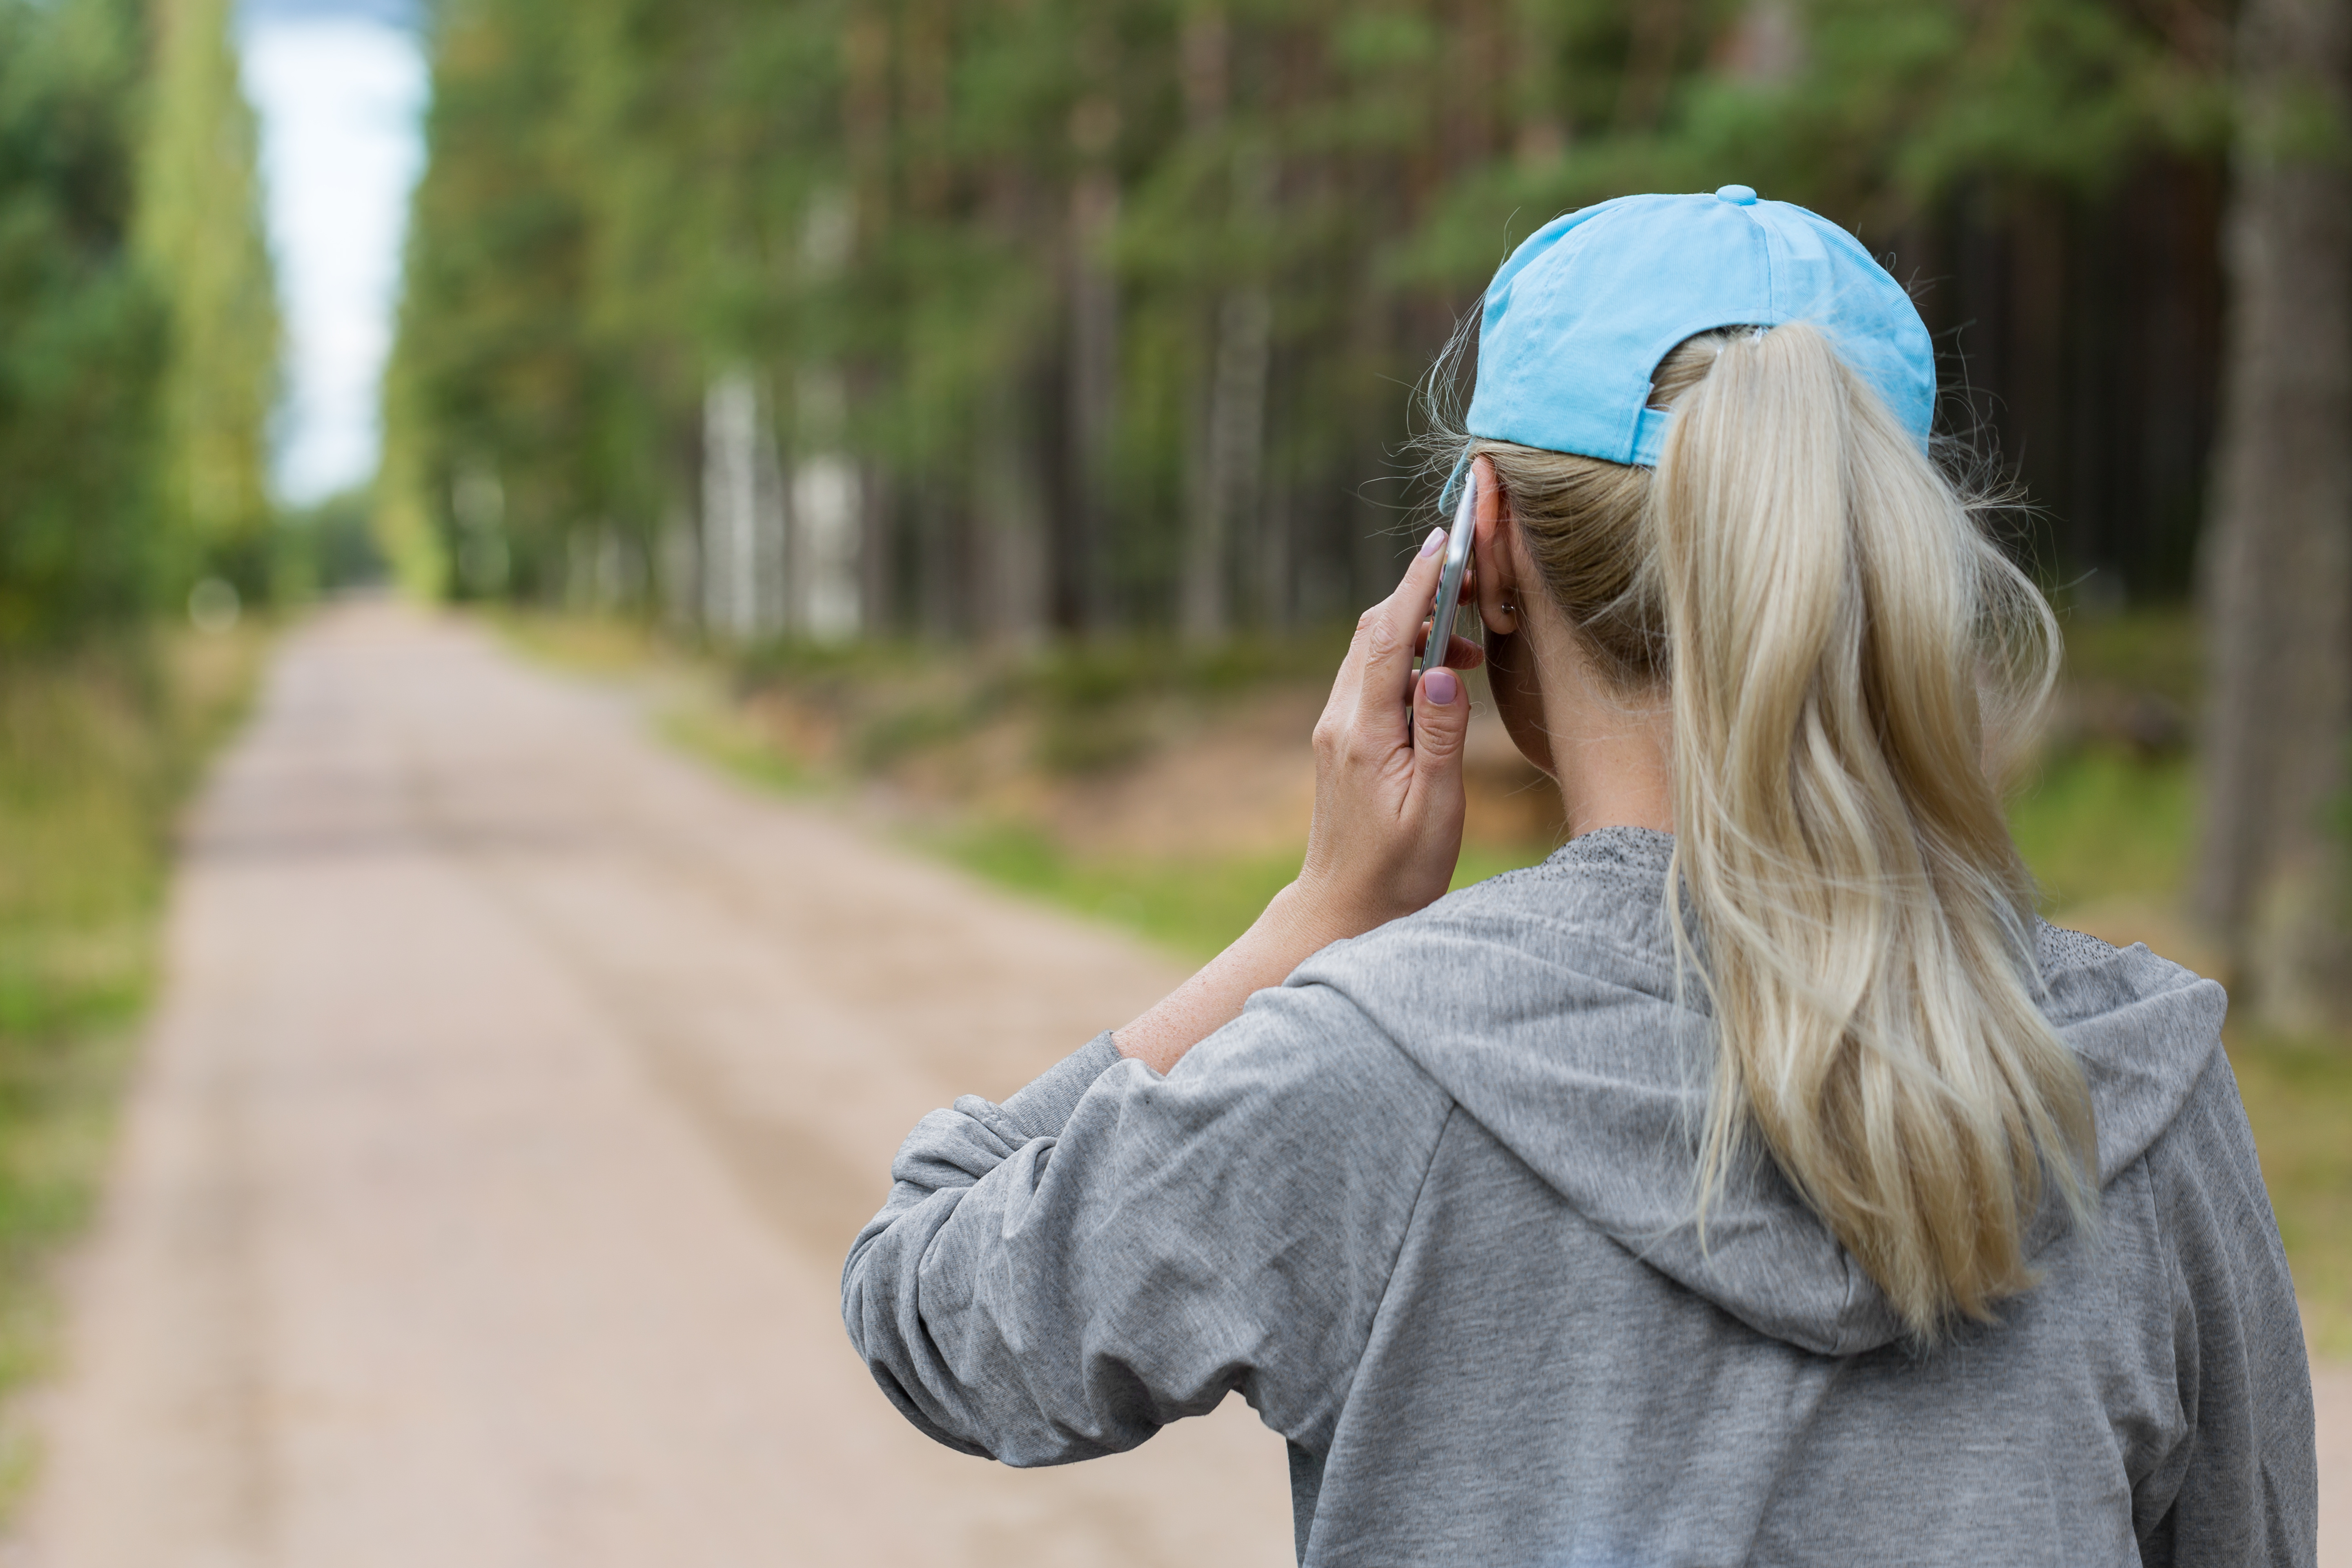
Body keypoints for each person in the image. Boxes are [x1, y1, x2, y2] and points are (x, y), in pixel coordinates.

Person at [840, 187, 2318, 1566]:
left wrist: (1323, 915)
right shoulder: (2141, 1084)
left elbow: (936, 1307)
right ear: (1885, 554)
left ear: (1477, 561)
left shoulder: (1375, 1070)